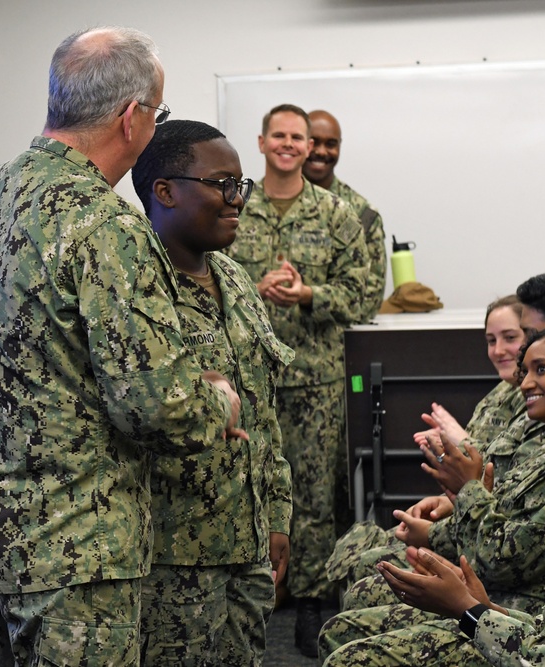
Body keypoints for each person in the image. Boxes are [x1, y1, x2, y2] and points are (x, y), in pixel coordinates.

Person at [0, 27, 239, 667]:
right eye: (158, 113)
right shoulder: (106, 222)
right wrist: (218, 404)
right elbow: (155, 404)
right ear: (132, 118)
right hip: (72, 548)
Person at [131, 119, 295, 665]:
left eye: (240, 186)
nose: (237, 200)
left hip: (245, 547)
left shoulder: (236, 279)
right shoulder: (134, 293)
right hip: (171, 557)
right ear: (165, 190)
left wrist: (275, 518)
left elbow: (264, 413)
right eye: (222, 183)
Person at [321, 327, 545, 666]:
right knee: (353, 604)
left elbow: (500, 559)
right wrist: (455, 501)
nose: (523, 383)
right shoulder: (543, 443)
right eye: (491, 340)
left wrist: (465, 492)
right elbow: (498, 509)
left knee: (346, 647)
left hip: (519, 610)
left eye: (542, 369)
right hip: (511, 612)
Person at [225, 102, 368, 656]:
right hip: (248, 379)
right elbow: (201, 275)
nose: (288, 145)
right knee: (245, 491)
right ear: (261, 143)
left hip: (314, 380)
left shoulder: (337, 214)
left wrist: (309, 294)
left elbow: (360, 293)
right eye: (278, 136)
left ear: (310, 148)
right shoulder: (231, 205)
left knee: (311, 500)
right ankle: (253, 598)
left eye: (298, 138)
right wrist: (247, 287)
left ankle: (310, 601)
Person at [325, 296, 531, 598]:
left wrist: (461, 441)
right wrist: (444, 499)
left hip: (490, 542)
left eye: (510, 338)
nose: (498, 350)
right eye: (490, 340)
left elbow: (506, 482)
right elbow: (483, 478)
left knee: (369, 570)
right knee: (361, 542)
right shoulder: (499, 395)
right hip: (467, 519)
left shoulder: (537, 403)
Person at [302, 110, 386, 322]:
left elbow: (370, 296)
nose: (321, 151)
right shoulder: (266, 204)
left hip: (334, 345)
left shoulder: (362, 214)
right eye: (314, 142)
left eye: (330, 144)